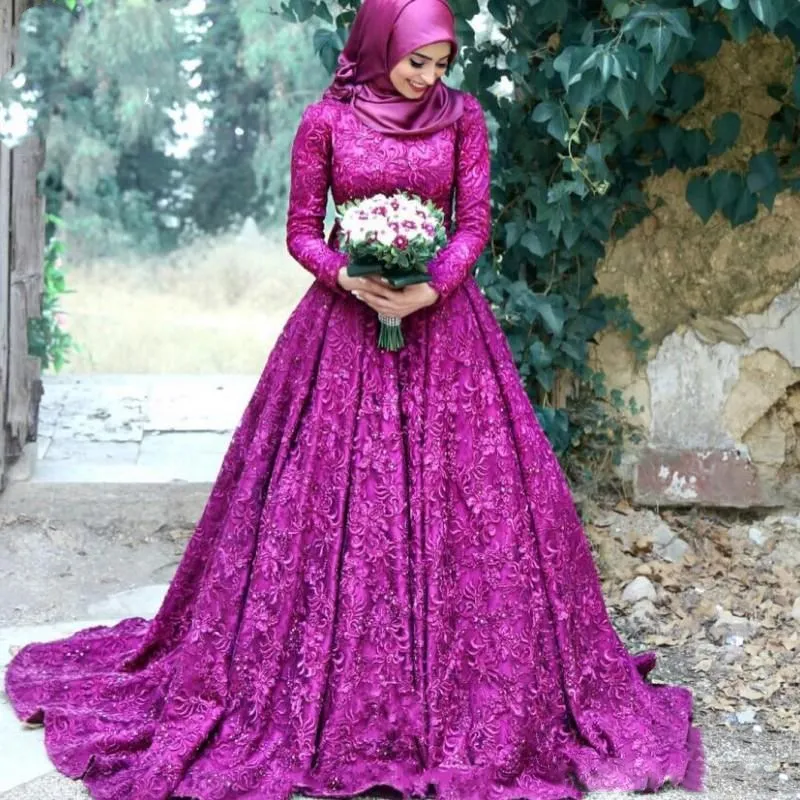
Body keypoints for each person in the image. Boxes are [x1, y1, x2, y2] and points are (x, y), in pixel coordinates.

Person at [4, 0, 704, 797]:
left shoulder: (463, 119)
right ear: (379, 45)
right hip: (341, 329)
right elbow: (303, 229)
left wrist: (431, 286)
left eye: (441, 64)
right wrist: (349, 276)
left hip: (447, 332)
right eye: (416, 62)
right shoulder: (326, 121)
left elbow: (473, 223)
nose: (429, 78)